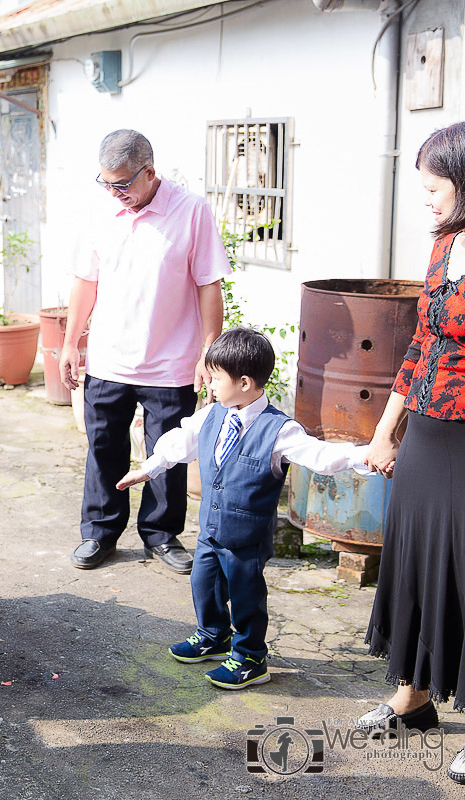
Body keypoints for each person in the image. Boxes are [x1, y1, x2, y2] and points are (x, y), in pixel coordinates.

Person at [118, 327, 368, 689]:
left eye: (215, 377)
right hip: (210, 531)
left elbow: (322, 456)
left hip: (247, 540)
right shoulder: (212, 415)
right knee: (204, 583)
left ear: (246, 382)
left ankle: (251, 657)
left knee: (247, 596)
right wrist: (148, 467)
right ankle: (212, 635)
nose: (209, 385)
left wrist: (367, 456)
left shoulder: (280, 431)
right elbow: (181, 441)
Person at [60, 129, 230, 574]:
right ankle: (99, 532)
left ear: (150, 173)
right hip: (109, 358)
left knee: (168, 452)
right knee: (103, 447)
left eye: (123, 185)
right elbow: (85, 281)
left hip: (171, 361)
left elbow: (209, 284)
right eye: (106, 183)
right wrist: (70, 342)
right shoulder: (100, 210)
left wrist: (208, 354)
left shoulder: (191, 211)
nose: (115, 194)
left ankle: (161, 534)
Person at [358, 122, 465, 782]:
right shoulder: (444, 247)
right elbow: (423, 343)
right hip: (428, 428)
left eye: (434, 186)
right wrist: (384, 428)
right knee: (420, 559)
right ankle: (413, 696)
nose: (424, 199)